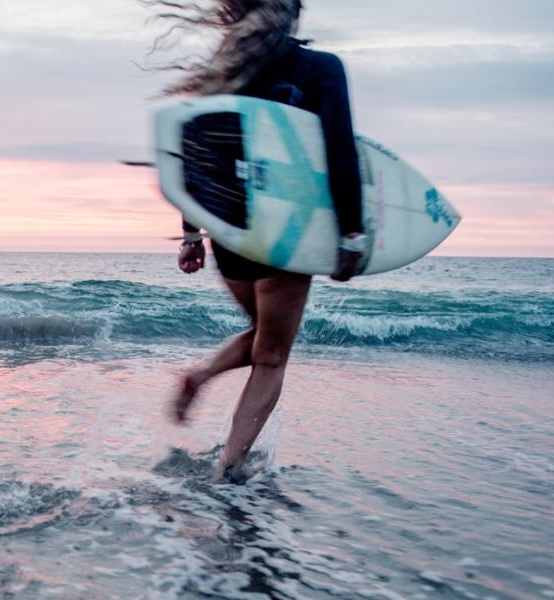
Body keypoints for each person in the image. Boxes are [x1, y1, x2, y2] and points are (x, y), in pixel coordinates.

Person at [155, 0, 367, 483]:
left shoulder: (223, 70)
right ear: (292, 15)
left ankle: (203, 376)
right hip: (288, 229)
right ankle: (228, 466)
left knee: (263, 334)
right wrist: (351, 233)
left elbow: (194, 158)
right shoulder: (320, 68)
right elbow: (338, 150)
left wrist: (192, 234)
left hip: (230, 231)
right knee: (272, 354)